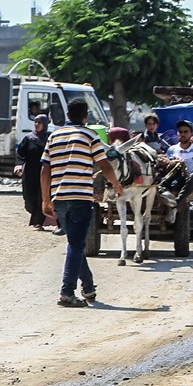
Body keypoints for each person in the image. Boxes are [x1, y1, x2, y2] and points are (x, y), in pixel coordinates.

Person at [40, 98, 122, 308]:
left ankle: (88, 287)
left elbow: (45, 170)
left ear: (68, 114)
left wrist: (45, 199)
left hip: (59, 199)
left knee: (74, 244)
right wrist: (117, 185)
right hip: (80, 199)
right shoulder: (89, 135)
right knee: (76, 245)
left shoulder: (54, 136)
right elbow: (104, 164)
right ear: (86, 116)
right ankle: (67, 292)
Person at [15, 114, 50, 230]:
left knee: (41, 196)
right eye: (35, 122)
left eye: (39, 122)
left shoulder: (50, 139)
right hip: (30, 172)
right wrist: (18, 165)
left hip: (44, 172)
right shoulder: (29, 138)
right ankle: (34, 214)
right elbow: (20, 153)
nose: (37, 124)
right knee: (29, 197)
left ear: (45, 124)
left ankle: (38, 221)